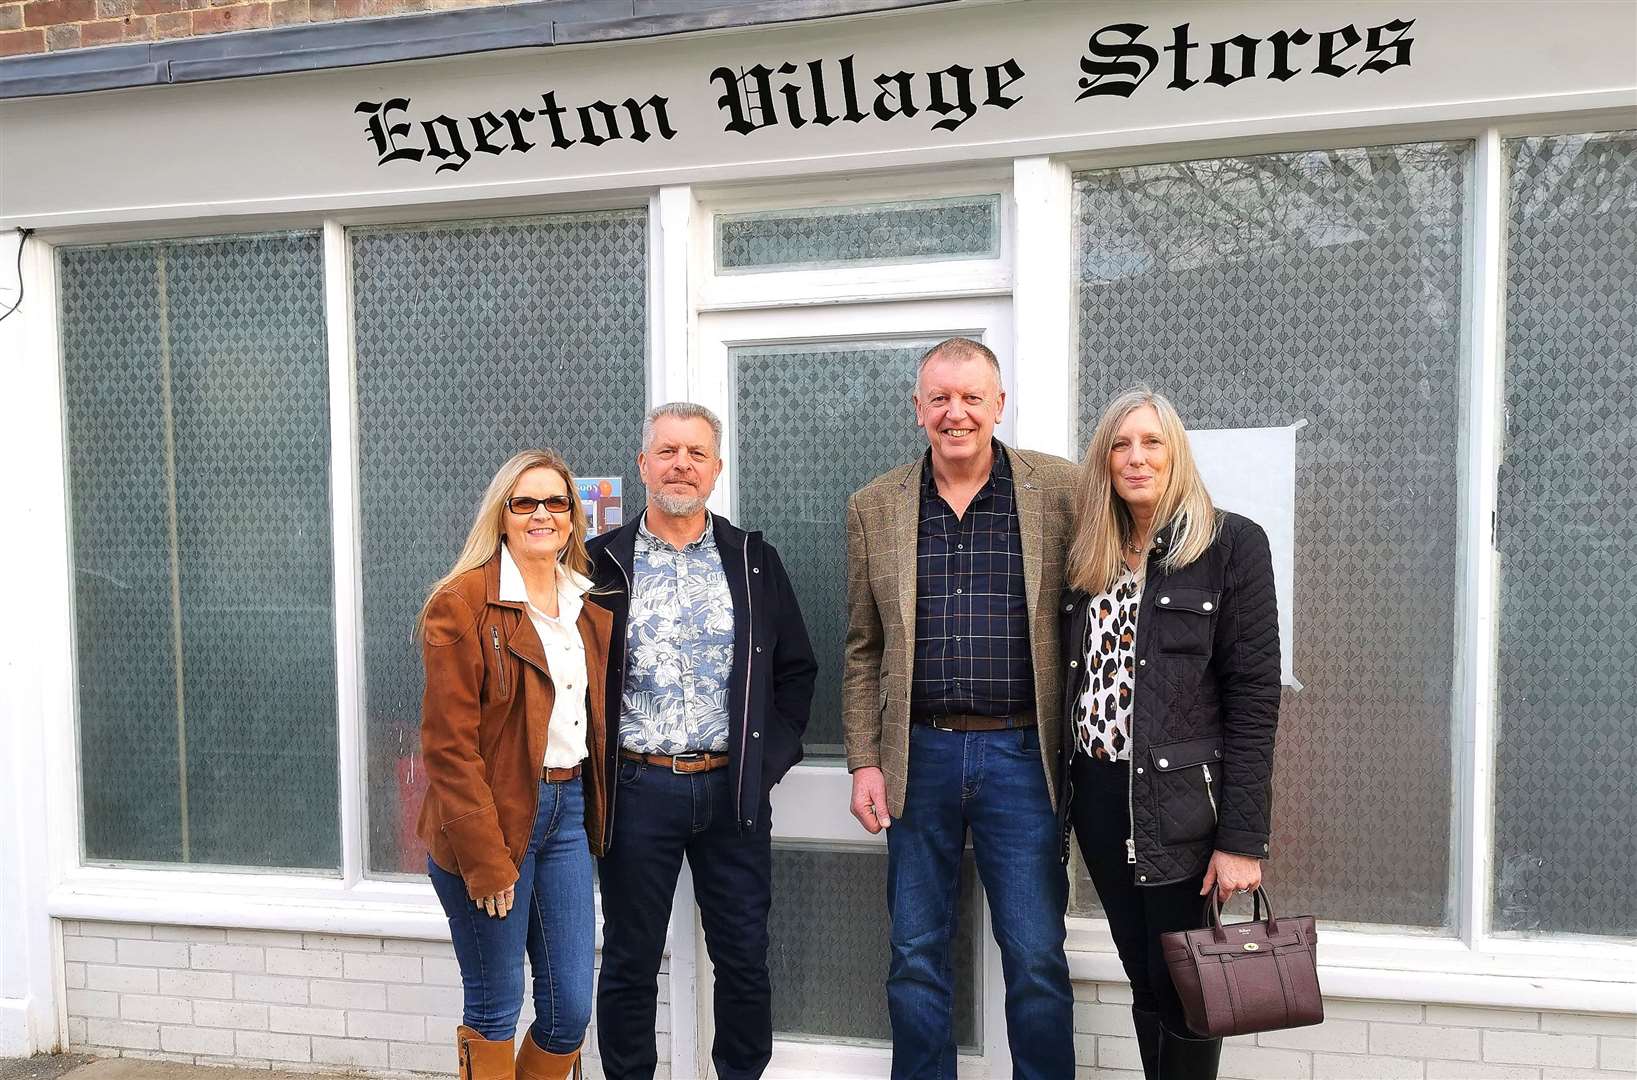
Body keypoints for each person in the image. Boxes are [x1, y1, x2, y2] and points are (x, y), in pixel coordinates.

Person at [842, 337, 1078, 1079]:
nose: (956, 413)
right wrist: (863, 762)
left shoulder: (1061, 491)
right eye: (940, 398)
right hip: (920, 754)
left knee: (1035, 952)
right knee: (914, 952)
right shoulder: (874, 505)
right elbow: (861, 648)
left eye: (972, 397)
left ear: (998, 404)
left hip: (1022, 757)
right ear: (917, 409)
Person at [589, 402, 818, 1080]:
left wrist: (765, 762)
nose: (680, 464)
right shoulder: (600, 563)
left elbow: (796, 671)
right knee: (630, 957)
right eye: (666, 451)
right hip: (636, 789)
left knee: (743, 956)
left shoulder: (752, 559)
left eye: (694, 453)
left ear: (716, 469)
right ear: (642, 465)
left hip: (731, 791)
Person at [1060, 388, 1280, 1080]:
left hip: (1183, 801)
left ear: (1175, 452)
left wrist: (1242, 840)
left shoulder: (1229, 545)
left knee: (1189, 982)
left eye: (1150, 442)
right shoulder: (1087, 553)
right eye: (1120, 445)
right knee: (1144, 975)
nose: (1135, 457)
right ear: (1104, 461)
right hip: (1097, 794)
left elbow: (1252, 695)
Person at [417, 450, 611, 1080]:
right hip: (491, 819)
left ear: (573, 518)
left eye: (555, 502)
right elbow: (448, 746)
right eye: (524, 503)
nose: (540, 515)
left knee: (568, 1011)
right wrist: (484, 855)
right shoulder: (463, 602)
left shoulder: (585, 604)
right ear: (501, 516)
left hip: (567, 813)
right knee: (496, 1008)